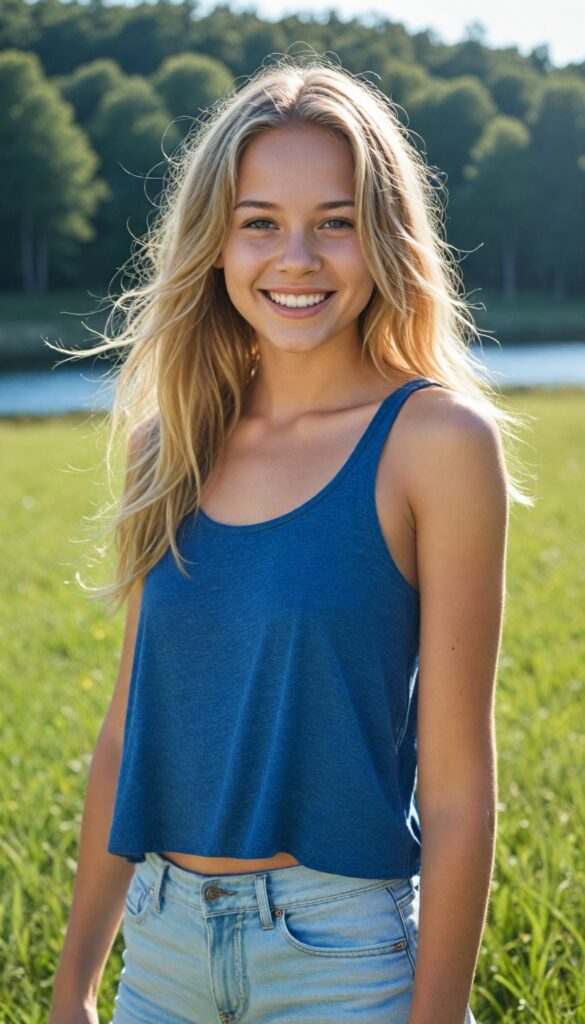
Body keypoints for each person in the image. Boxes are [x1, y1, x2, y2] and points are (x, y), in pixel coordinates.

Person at [48, 52, 532, 1024]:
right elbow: (124, 739)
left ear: (384, 238)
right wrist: (74, 989)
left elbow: (456, 787)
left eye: (336, 224)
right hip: (164, 949)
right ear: (217, 246)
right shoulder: (169, 444)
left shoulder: (436, 444)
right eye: (260, 222)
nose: (296, 258)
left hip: (342, 957)